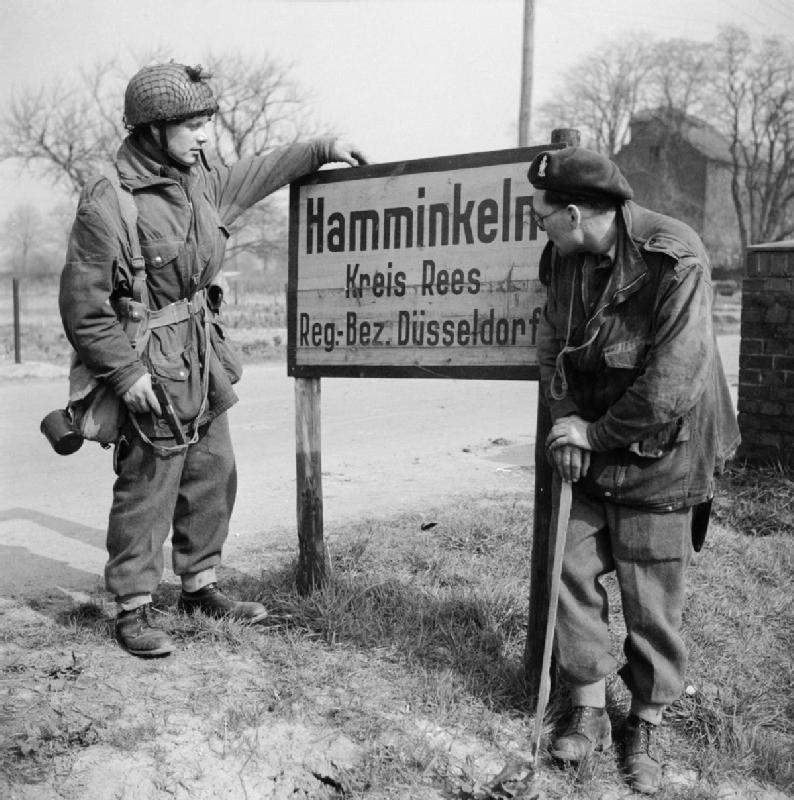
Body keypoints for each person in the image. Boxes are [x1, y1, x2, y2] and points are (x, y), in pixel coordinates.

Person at [59, 62, 368, 658]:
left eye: (207, 124)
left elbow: (263, 170)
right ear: (152, 130)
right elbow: (84, 308)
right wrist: (125, 375)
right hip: (147, 361)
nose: (205, 137)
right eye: (193, 125)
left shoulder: (199, 182)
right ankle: (133, 607)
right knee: (147, 486)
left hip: (202, 353)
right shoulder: (111, 202)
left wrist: (323, 147)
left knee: (212, 474)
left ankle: (199, 586)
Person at [526, 147, 739, 794]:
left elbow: (672, 384)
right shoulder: (562, 258)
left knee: (652, 600)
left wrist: (590, 433)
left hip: (667, 453)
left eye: (542, 218)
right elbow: (550, 343)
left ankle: (642, 725)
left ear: (572, 213)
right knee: (571, 571)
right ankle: (587, 708)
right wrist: (566, 420)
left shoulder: (676, 257)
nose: (539, 228)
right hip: (594, 443)